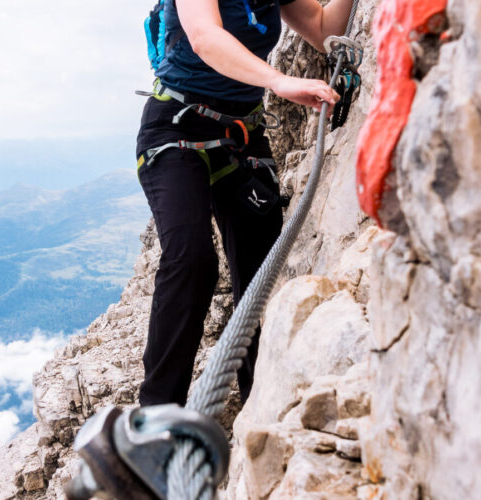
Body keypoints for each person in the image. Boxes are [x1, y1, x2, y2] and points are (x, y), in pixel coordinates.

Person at [137, 0, 355, 407]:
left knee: (260, 272)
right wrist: (278, 80)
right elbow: (205, 38)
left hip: (241, 135)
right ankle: (157, 417)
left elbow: (323, 28)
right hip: (176, 127)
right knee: (192, 260)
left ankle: (259, 405)